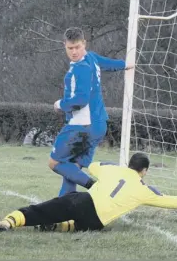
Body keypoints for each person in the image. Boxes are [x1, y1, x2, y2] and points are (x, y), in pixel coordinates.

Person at [0, 153, 177, 232]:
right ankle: (60, 227)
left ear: (128, 164)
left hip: (84, 201)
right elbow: (168, 201)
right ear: (144, 171)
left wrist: (104, 165)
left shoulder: (112, 169)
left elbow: (94, 165)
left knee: (43, 209)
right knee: (82, 225)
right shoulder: (143, 190)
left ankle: (9, 222)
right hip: (97, 222)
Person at [49, 27, 134, 197]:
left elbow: (80, 100)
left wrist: (59, 104)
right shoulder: (92, 58)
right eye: (70, 48)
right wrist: (126, 65)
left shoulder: (80, 68)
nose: (74, 52)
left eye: (78, 47)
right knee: (72, 170)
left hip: (82, 127)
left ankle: (97, 189)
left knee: (55, 162)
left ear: (84, 44)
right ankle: (64, 207)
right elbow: (108, 64)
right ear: (64, 45)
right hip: (98, 125)